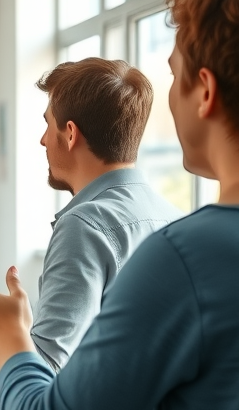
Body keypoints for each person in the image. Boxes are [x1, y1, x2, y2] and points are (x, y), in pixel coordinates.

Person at [0, 0, 239, 410]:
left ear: (206, 91)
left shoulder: (182, 256)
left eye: (174, 75)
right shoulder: (170, 220)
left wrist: (10, 337)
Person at [26, 57, 181, 371]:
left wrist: (6, 332)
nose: (42, 140)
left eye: (47, 123)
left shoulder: (83, 227)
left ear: (70, 134)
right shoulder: (175, 219)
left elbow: (47, 368)